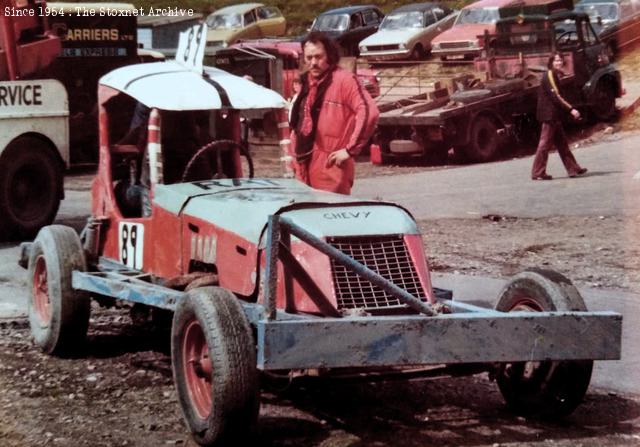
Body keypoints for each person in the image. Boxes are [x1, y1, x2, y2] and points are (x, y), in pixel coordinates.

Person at [290, 31, 379, 194]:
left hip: (330, 166)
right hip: (303, 163)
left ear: (330, 55)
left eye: (319, 57)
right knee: (306, 216)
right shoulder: (306, 83)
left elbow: (369, 112)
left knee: (331, 215)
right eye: (309, 58)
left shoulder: (344, 80)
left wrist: (350, 150)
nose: (314, 63)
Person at [531, 52, 588, 180]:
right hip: (549, 115)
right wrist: (571, 109)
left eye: (561, 60)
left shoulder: (555, 74)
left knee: (562, 144)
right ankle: (537, 172)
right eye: (556, 61)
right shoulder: (550, 75)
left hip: (554, 115)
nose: (559, 63)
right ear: (551, 62)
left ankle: (573, 169)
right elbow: (556, 96)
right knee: (544, 144)